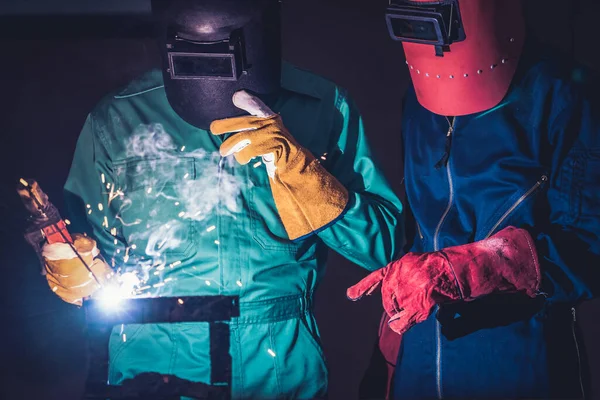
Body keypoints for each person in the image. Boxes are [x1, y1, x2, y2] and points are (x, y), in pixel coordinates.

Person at [37, 0, 404, 399]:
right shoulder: (119, 116)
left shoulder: (323, 107)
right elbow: (81, 249)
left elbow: (384, 247)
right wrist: (70, 269)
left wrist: (305, 174)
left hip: (276, 360)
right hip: (154, 359)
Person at [348, 0, 600, 399]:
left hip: (517, 357)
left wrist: (474, 267)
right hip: (420, 351)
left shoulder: (564, 96)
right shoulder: (419, 97)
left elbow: (589, 247)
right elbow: (417, 230)